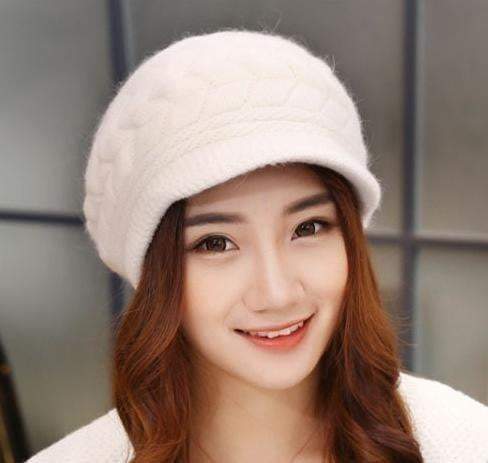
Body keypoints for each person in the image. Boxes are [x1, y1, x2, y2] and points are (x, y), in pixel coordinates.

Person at [26, 28, 487, 463]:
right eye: (215, 243)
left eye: (308, 228)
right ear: (153, 272)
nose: (277, 294)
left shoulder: (463, 440)